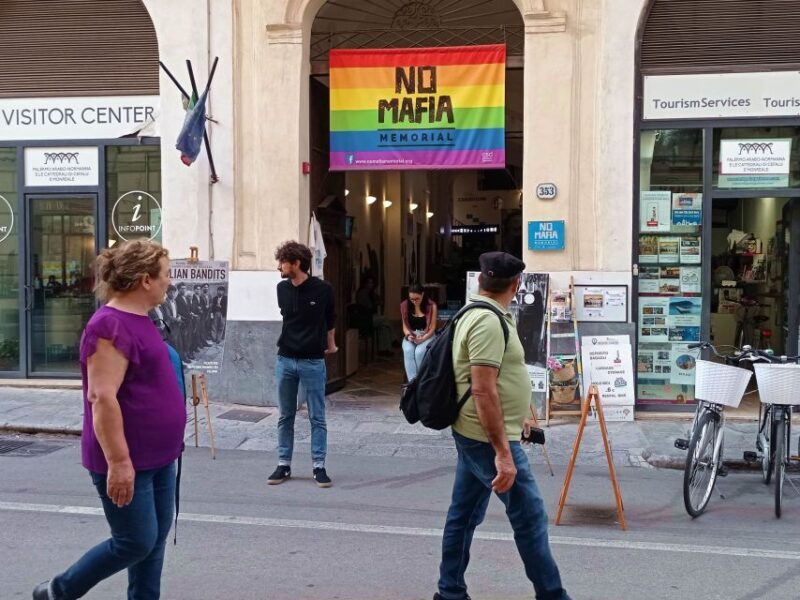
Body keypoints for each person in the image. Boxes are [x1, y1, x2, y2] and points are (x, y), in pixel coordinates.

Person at [33, 239, 186, 600]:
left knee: (154, 541)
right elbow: (102, 398)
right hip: (129, 460)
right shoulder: (108, 327)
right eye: (166, 274)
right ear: (145, 280)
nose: (170, 281)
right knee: (135, 541)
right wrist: (119, 463)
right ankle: (59, 590)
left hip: (161, 456)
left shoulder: (142, 320)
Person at [435, 251, 570, 600]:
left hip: (480, 432)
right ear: (516, 284)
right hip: (486, 438)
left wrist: (518, 416)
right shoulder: (486, 322)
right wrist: (502, 453)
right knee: (530, 518)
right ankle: (552, 595)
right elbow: (481, 388)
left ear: (481, 280)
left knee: (463, 514)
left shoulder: (487, 313)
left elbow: (498, 380)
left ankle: (449, 592)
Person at [268, 240, 337, 488]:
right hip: (285, 359)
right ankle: (283, 463)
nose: (279, 267)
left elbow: (330, 320)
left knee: (317, 416)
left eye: (282, 262)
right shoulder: (281, 289)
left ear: (296, 264)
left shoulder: (323, 289)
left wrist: (331, 344)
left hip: (312, 361)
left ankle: (319, 466)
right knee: (285, 415)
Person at [400, 283, 438, 380]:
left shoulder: (431, 306)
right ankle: (413, 383)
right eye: (411, 299)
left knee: (419, 352)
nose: (414, 301)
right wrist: (408, 335)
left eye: (417, 299)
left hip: (427, 334)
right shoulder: (405, 305)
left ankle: (421, 381)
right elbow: (405, 327)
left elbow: (432, 327)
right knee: (408, 350)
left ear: (422, 294)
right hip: (412, 334)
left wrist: (423, 338)